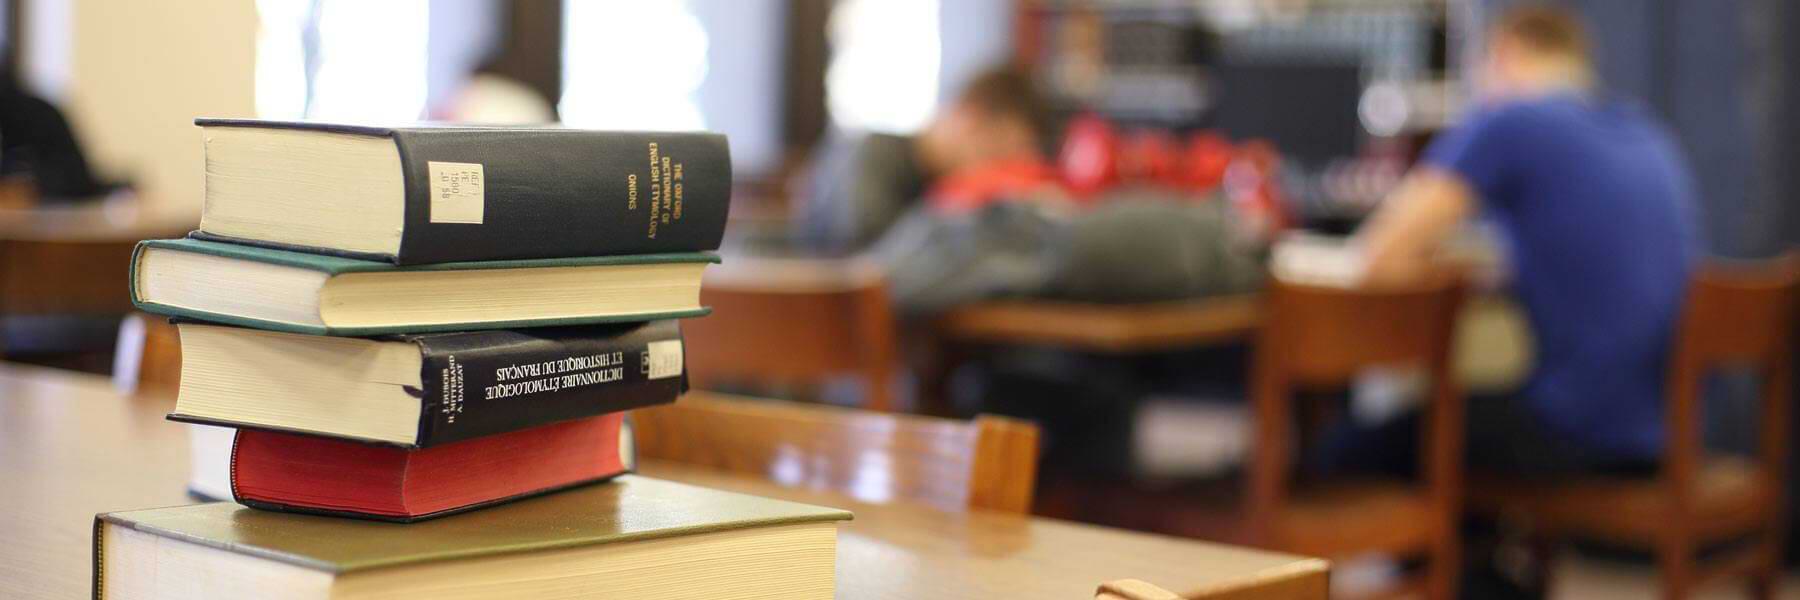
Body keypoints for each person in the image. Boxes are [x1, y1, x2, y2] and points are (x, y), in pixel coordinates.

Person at [1341, 5, 1699, 597]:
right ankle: (1481, 577)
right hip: (1662, 428)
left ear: (1502, 55)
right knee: (1461, 420)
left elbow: (1379, 252)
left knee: (1360, 447)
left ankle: (1456, 582)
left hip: (1578, 429)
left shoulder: (1513, 121)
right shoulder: (1642, 130)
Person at [798, 66, 1051, 254]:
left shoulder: (930, 177)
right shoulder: (874, 155)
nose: (999, 169)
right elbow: (872, 266)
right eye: (1001, 149)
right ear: (971, 119)